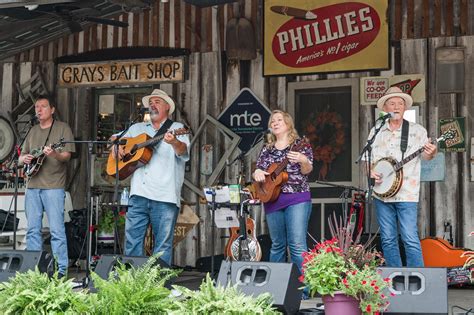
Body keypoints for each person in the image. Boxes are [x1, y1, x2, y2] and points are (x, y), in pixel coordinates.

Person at [112, 89, 189, 266]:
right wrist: (115, 147)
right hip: (138, 193)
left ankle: (158, 285)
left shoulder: (177, 128)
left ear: (167, 107)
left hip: (165, 195)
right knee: (132, 242)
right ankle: (133, 283)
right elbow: (115, 138)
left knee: (162, 245)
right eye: (151, 102)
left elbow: (183, 151)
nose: (152, 105)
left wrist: (174, 142)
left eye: (157, 102)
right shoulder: (136, 128)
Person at [367, 86, 437, 267]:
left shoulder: (417, 131)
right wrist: (369, 171)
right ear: (385, 108)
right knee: (388, 239)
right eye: (392, 103)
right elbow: (369, 159)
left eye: (400, 103)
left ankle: (417, 279)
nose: (396, 106)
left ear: (405, 108)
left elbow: (426, 156)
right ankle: (394, 279)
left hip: (406, 193)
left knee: (409, 237)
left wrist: (431, 152)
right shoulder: (376, 130)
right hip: (381, 194)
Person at [19, 95, 75, 278]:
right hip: (32, 186)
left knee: (57, 231)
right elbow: (21, 157)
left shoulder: (62, 128)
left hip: (53, 186)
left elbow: (67, 156)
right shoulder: (32, 130)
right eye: (37, 107)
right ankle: (36, 270)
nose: (39, 110)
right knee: (33, 230)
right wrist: (24, 158)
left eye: (43, 106)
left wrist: (55, 154)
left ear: (52, 110)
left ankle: (61, 271)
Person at [253, 110, 313, 275]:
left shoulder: (301, 145)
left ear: (288, 124)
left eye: (279, 120)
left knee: (297, 244)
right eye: (272, 121)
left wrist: (303, 160)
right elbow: (259, 170)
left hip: (297, 198)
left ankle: (303, 289)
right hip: (272, 199)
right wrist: (257, 172)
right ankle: (276, 287)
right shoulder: (268, 149)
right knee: (277, 244)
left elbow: (307, 170)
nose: (275, 123)